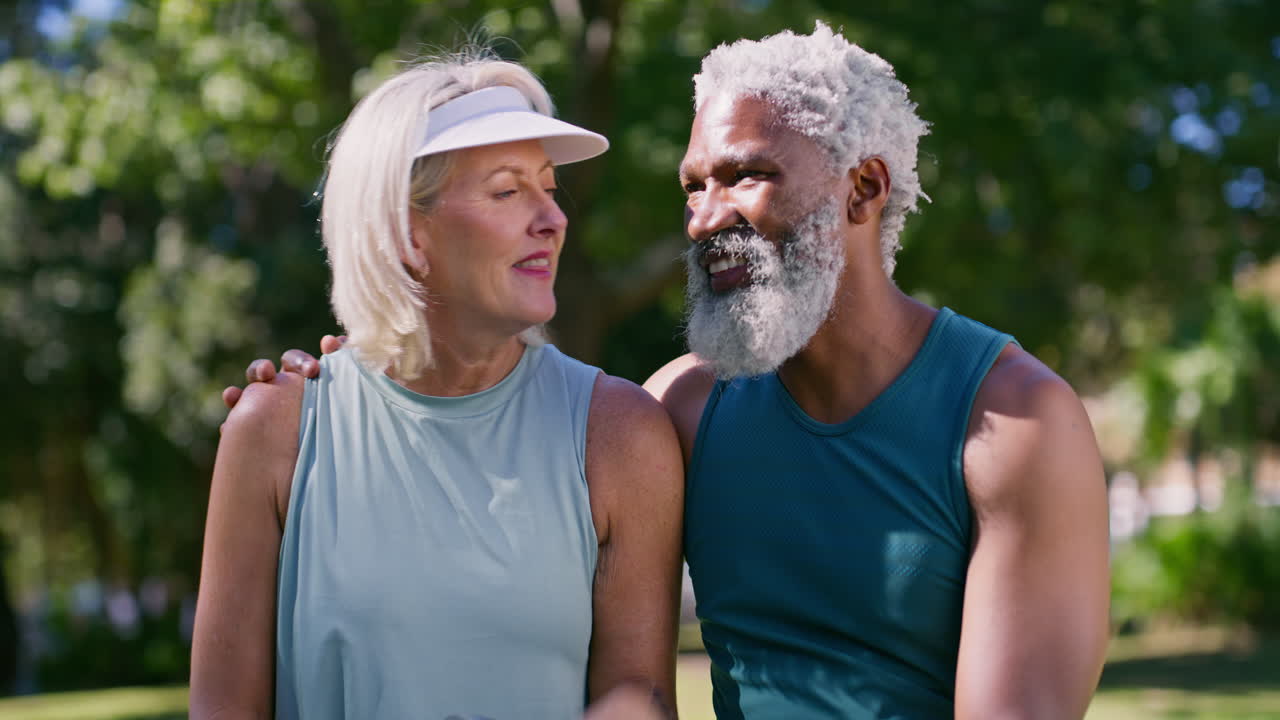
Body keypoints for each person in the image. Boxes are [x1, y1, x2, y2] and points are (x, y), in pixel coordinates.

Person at [234, 23, 1111, 719]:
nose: (704, 219)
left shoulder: (1015, 424)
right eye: (693, 186)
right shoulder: (682, 409)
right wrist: (354, 378)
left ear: (865, 188)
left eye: (745, 177)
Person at [191, 52, 683, 720]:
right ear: (407, 234)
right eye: (508, 192)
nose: (553, 218)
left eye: (548, 187)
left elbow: (640, 702)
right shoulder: (273, 431)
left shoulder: (622, 435)